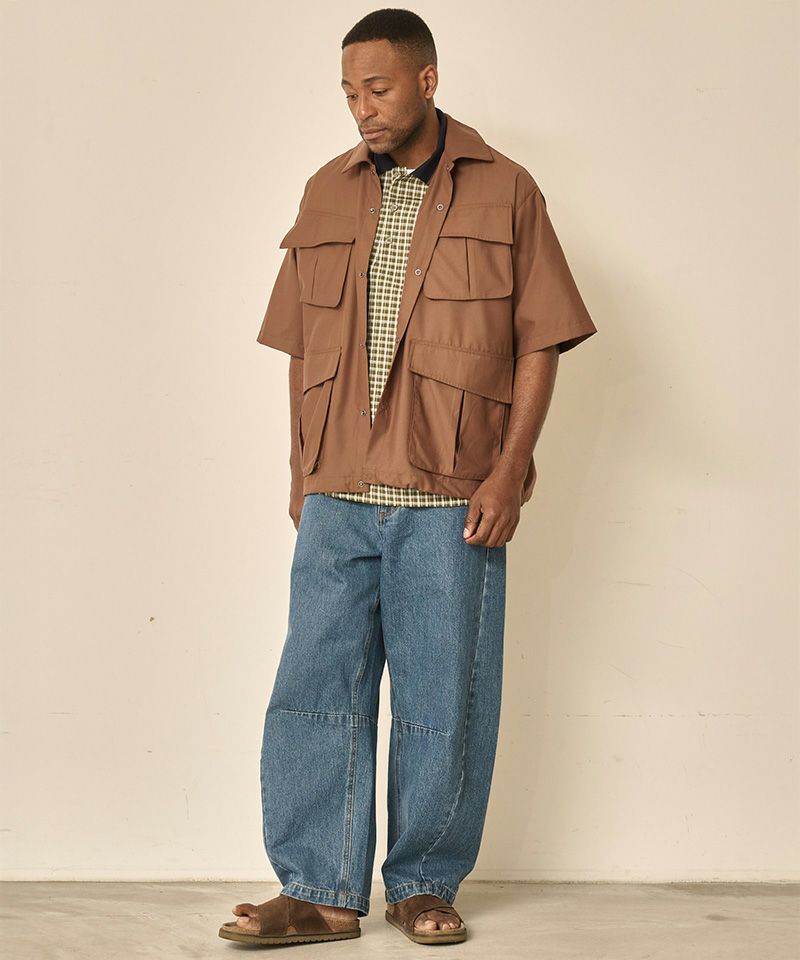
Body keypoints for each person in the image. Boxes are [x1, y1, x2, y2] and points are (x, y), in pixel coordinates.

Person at [219, 7, 597, 948]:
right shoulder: (327, 190)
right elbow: (300, 345)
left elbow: (541, 337)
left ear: (427, 80)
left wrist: (511, 470)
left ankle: (424, 883)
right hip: (338, 494)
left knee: (443, 700)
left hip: (450, 495)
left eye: (378, 89)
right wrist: (300, 469)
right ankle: (320, 892)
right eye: (350, 93)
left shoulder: (505, 190)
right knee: (313, 692)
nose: (363, 109)